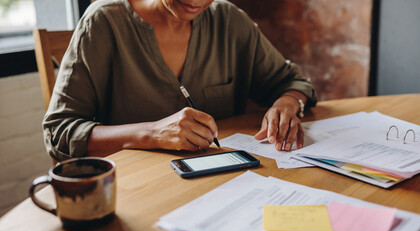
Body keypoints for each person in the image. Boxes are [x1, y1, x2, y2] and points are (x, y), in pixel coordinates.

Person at [43, 0, 317, 161]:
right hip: (134, 195)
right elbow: (59, 132)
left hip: (226, 187)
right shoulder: (104, 22)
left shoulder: (229, 21)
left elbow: (291, 81)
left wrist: (288, 104)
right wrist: (151, 133)